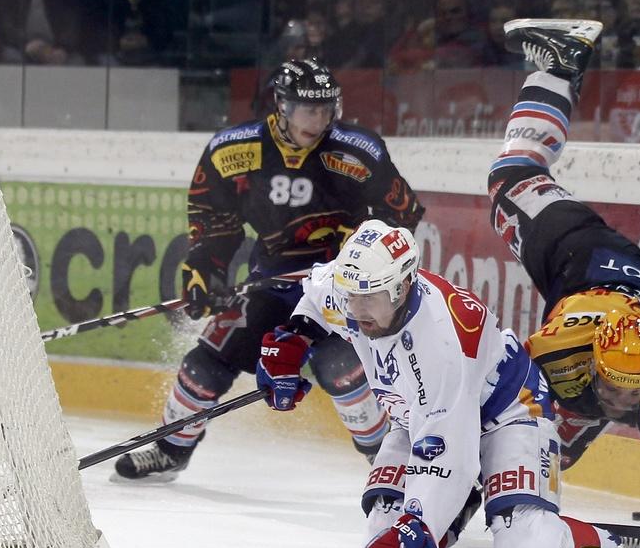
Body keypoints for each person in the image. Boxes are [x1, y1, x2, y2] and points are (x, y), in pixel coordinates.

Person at [256, 219, 640, 548]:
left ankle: (620, 546)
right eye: (351, 296)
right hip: (421, 418)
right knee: (381, 530)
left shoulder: (444, 343)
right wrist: (293, 341)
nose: (355, 309)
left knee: (526, 547)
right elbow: (316, 298)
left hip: (507, 412)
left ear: (402, 288)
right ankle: (462, 501)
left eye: (368, 298)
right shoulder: (359, 289)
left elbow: (448, 454)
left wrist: (419, 526)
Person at [114, 59, 424, 481]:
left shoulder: (357, 151)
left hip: (342, 286)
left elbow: (402, 214)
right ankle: (172, 449)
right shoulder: (235, 151)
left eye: (326, 109)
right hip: (270, 281)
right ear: (281, 106)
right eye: (306, 110)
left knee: (343, 369)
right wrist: (204, 267)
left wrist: (360, 244)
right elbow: (213, 220)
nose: (318, 120)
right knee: (205, 364)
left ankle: (388, 463)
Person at [487, 18, 640, 548]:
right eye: (616, 388)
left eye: (634, 391)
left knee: (559, 449)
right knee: (511, 182)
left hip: (624, 292)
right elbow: (498, 405)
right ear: (594, 362)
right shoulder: (555, 350)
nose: (622, 405)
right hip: (577, 250)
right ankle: (558, 66)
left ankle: (555, 69)